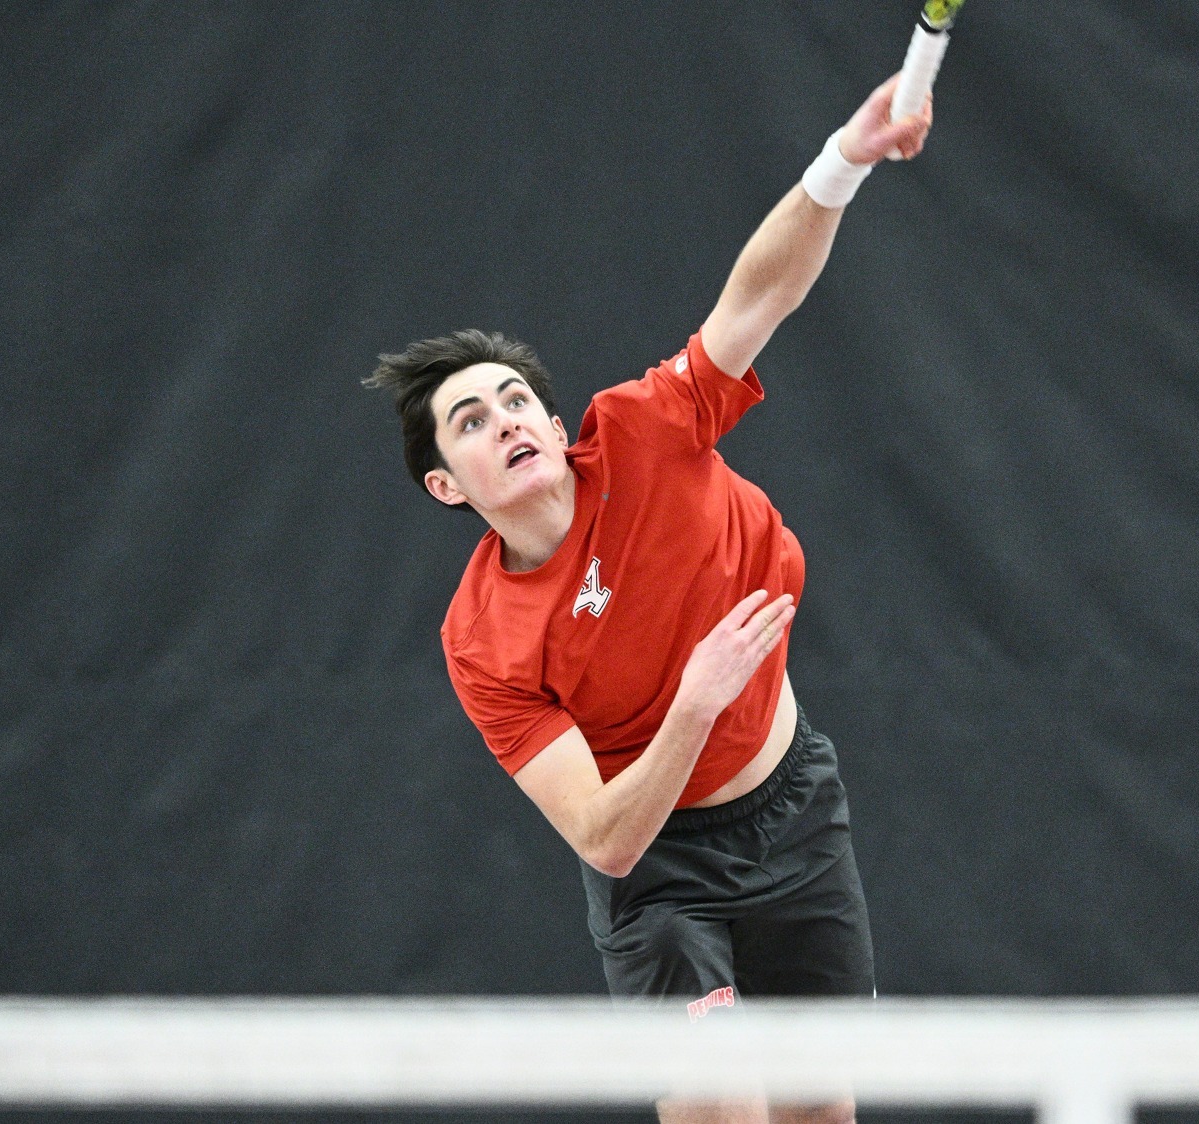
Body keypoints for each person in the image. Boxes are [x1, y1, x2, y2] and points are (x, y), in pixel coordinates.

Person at [367, 74, 934, 1124]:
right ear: (446, 484)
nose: (506, 420)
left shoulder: (643, 428)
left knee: (818, 1111)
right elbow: (607, 839)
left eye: (515, 398)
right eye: (470, 422)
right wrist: (695, 699)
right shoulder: (482, 639)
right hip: (661, 875)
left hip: (794, 809)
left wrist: (841, 161)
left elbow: (758, 296)